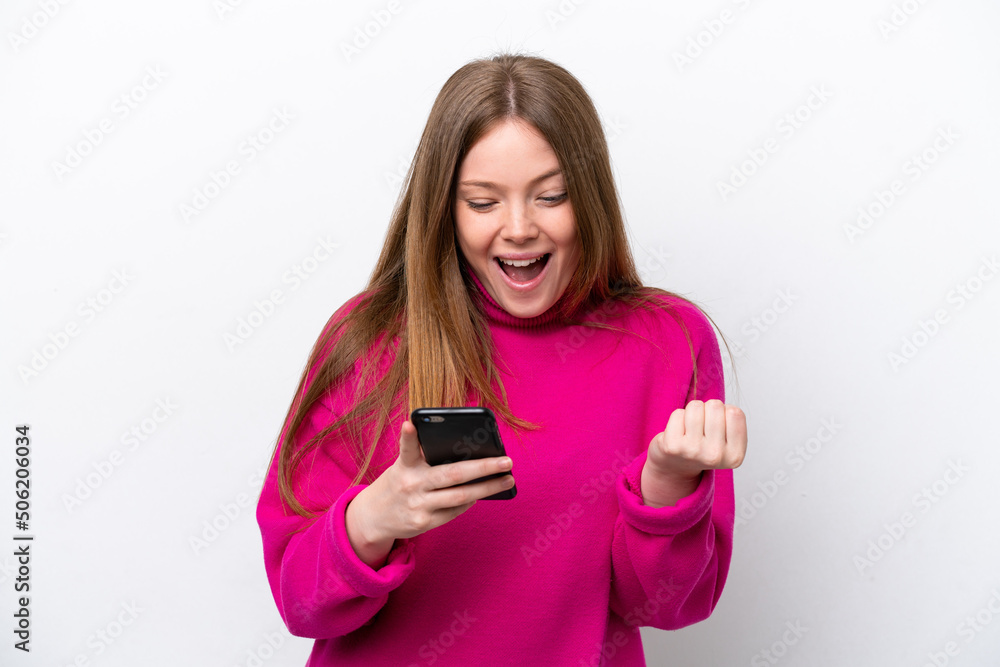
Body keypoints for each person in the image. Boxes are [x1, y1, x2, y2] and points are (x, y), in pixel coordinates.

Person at [256, 51, 747, 666]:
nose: (518, 228)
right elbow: (300, 605)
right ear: (445, 210)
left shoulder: (668, 342)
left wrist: (668, 490)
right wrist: (372, 520)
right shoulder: (369, 338)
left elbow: (671, 607)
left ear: (589, 197)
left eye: (551, 196)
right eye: (483, 203)